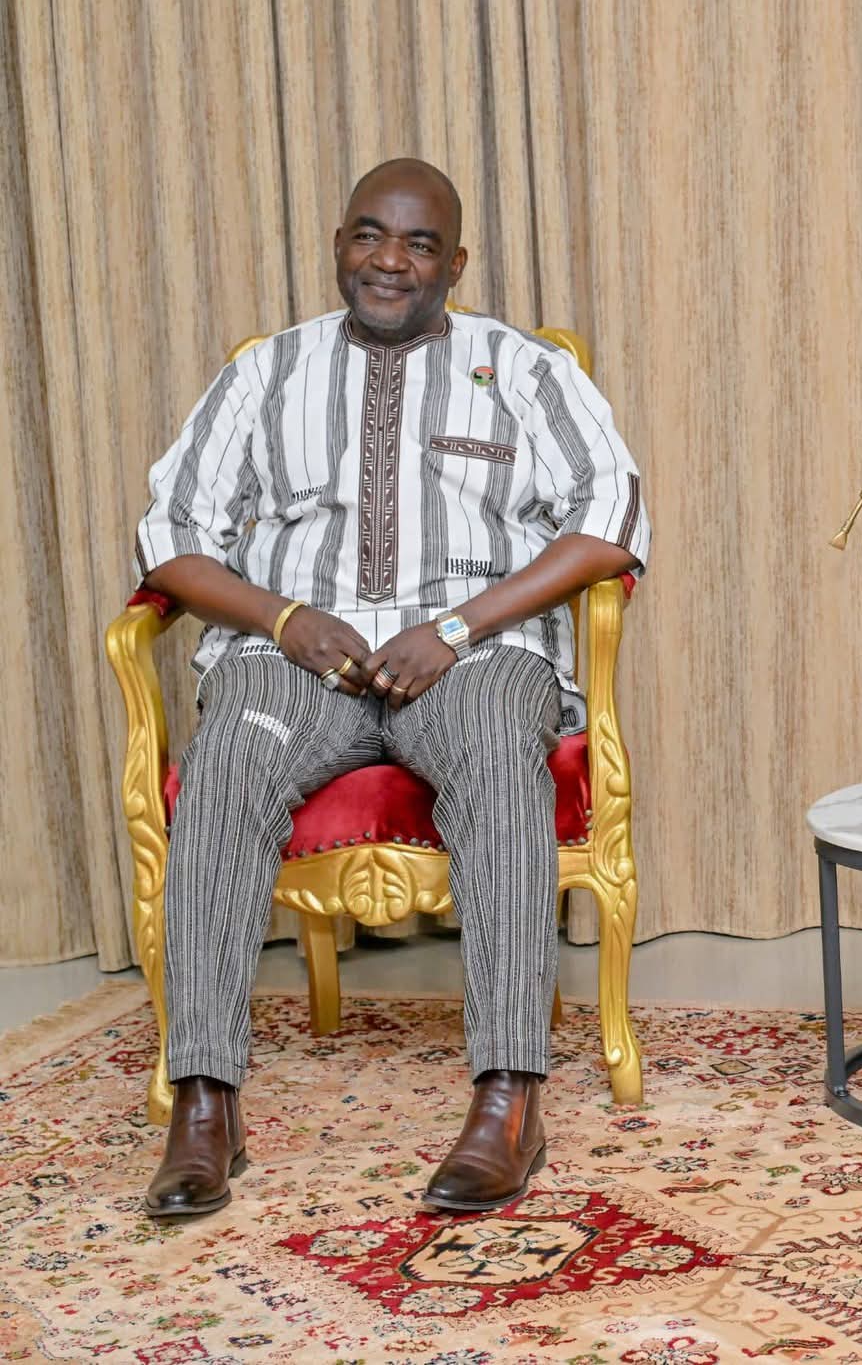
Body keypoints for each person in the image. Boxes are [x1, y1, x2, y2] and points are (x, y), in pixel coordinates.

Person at [133, 158, 649, 1218]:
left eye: (418, 245)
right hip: (292, 654)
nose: (389, 260)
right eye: (370, 235)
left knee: (499, 767)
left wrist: (459, 626)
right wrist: (282, 618)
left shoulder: (523, 370)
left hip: (470, 654)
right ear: (338, 244)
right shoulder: (263, 373)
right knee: (227, 756)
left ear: (454, 263)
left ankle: (509, 1097)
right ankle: (204, 1104)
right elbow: (169, 540)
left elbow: (610, 520)